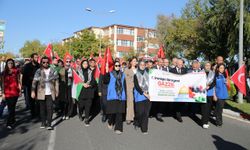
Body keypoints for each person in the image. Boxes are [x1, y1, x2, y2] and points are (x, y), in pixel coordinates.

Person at [31, 56, 59, 130]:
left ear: (49, 62)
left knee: (50, 108)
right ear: (41, 63)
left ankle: (49, 123)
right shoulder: (38, 71)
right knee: (42, 109)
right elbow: (34, 81)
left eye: (47, 62)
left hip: (50, 92)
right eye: (44, 62)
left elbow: (56, 82)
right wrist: (33, 91)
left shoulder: (53, 70)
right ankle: (43, 122)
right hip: (41, 92)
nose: (45, 63)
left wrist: (57, 91)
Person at [103, 61, 126, 134]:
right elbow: (105, 81)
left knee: (119, 113)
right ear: (113, 66)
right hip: (112, 95)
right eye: (116, 65)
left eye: (119, 65)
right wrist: (106, 71)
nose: (117, 67)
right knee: (112, 112)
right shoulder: (110, 74)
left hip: (121, 96)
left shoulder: (123, 74)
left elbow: (124, 84)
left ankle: (118, 128)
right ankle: (110, 122)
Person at [1, 59, 21, 129]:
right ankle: (9, 123)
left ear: (13, 64)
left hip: (15, 92)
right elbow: (2, 84)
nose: (10, 64)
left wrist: (20, 90)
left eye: (12, 63)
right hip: (7, 93)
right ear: (7, 64)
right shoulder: (3, 73)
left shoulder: (16, 71)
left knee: (12, 107)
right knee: (11, 108)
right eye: (9, 63)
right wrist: (3, 93)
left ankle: (12, 120)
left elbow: (18, 80)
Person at [134, 60, 151, 134]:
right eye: (141, 64)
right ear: (138, 65)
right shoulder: (135, 75)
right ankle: (137, 121)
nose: (142, 66)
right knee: (140, 112)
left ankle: (144, 129)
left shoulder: (149, 74)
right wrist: (144, 93)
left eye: (144, 64)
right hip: (139, 95)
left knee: (146, 113)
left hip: (149, 96)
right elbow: (137, 87)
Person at [77, 60, 97, 126]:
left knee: (88, 106)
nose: (85, 65)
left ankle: (86, 119)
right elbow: (76, 81)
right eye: (84, 63)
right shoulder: (78, 72)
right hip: (81, 91)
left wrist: (90, 85)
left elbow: (94, 81)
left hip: (89, 91)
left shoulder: (90, 72)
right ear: (82, 64)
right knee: (81, 106)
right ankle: (80, 113)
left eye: (86, 63)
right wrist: (82, 84)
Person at [22, 53, 40, 117]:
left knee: (38, 99)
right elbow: (24, 76)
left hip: (38, 85)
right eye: (35, 57)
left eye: (37, 57)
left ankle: (38, 112)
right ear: (32, 58)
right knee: (31, 100)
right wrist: (23, 85)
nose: (37, 59)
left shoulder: (39, 65)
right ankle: (33, 113)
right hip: (29, 85)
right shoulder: (27, 66)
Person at [170, 58, 187, 123]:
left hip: (182, 89)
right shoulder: (172, 70)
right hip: (174, 89)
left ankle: (177, 112)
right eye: (179, 63)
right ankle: (178, 115)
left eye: (181, 64)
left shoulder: (185, 70)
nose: (180, 65)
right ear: (176, 63)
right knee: (176, 102)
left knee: (181, 102)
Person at [201, 61, 215, 129]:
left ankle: (205, 120)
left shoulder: (212, 73)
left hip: (210, 92)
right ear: (204, 66)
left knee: (209, 108)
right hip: (202, 92)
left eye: (209, 65)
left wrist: (209, 87)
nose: (208, 67)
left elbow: (213, 83)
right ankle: (204, 122)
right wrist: (204, 86)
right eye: (206, 65)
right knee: (204, 108)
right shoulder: (200, 73)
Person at [124, 56, 137, 125]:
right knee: (130, 103)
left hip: (138, 89)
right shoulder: (127, 70)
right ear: (131, 62)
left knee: (137, 103)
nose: (135, 62)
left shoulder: (138, 69)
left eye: (136, 61)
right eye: (134, 61)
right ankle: (129, 118)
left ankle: (135, 117)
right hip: (129, 88)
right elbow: (125, 80)